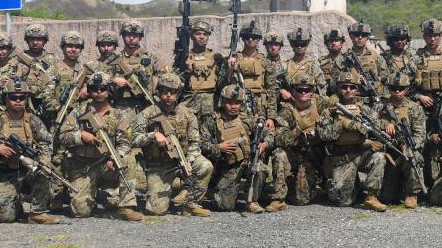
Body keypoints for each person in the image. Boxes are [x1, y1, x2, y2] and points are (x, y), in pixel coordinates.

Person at [57, 72, 143, 221]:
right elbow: (63, 136)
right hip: (84, 166)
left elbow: (125, 143)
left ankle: (126, 207)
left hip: (106, 164)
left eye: (102, 88)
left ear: (109, 90)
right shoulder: (79, 111)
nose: (98, 92)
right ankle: (96, 195)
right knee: (80, 212)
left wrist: (116, 157)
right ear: (89, 91)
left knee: (127, 160)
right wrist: (81, 136)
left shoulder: (119, 115)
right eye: (94, 88)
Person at [130, 72, 213, 217]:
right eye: (164, 90)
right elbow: (133, 139)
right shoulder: (147, 113)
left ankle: (191, 204)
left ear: (178, 93)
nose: (168, 95)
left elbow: (195, 143)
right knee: (156, 210)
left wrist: (190, 160)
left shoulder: (187, 114)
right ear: (158, 91)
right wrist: (153, 136)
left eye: (172, 91)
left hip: (183, 161)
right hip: (158, 166)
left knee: (205, 166)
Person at [0, 78, 58, 224]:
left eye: (22, 98)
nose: (18, 101)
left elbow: (46, 143)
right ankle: (14, 203)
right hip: (4, 173)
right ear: (6, 99)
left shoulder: (33, 120)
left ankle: (38, 213)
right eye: (14, 97)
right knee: (3, 218)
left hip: (28, 170)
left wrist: (43, 159)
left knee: (45, 169)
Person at [315, 71, 388, 211]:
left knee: (379, 157)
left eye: (352, 87)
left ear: (357, 89)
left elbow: (376, 129)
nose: (348, 90)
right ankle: (353, 187)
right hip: (342, 159)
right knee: (343, 202)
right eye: (344, 87)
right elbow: (323, 135)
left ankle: (371, 197)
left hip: (361, 155)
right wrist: (342, 123)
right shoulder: (330, 111)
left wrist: (368, 138)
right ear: (339, 89)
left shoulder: (365, 110)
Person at [200, 84, 273, 212]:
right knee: (223, 206)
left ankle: (252, 200)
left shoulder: (248, 119)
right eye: (229, 102)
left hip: (247, 162)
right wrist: (218, 147)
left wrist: (265, 143)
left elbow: (270, 134)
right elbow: (201, 143)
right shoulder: (213, 120)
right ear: (222, 102)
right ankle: (216, 190)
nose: (233, 106)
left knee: (259, 168)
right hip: (226, 167)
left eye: (237, 103)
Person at [273, 73, 327, 206]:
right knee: (279, 154)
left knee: (303, 198)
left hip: (316, 154)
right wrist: (297, 131)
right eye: (300, 90)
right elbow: (280, 139)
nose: (304, 93)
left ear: (312, 91)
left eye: (307, 90)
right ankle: (278, 198)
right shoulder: (287, 110)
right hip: (295, 153)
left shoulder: (320, 104)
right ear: (293, 91)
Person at [377, 72, 426, 208]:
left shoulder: (415, 108)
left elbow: (420, 135)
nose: (397, 91)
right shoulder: (380, 106)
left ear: (407, 89)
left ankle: (412, 193)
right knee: (387, 198)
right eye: (393, 88)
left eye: (401, 88)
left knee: (414, 157)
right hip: (387, 151)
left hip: (405, 150)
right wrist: (385, 124)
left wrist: (409, 145)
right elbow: (371, 124)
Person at [225, 21, 277, 125]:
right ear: (242, 38)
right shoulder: (233, 59)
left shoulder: (265, 62)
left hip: (260, 110)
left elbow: (271, 90)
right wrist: (229, 69)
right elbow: (223, 86)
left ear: (258, 39)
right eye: (247, 37)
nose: (250, 39)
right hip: (238, 108)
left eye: (254, 37)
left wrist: (271, 118)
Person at [108, 21, 163, 115]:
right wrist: (113, 80)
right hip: (121, 108)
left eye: (135, 35)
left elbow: (166, 77)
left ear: (140, 37)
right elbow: (100, 79)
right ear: (122, 36)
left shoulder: (151, 58)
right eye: (128, 35)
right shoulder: (114, 59)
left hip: (146, 106)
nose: (131, 38)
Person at [176, 19, 223, 126]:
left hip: (212, 105)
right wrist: (187, 72)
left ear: (208, 36)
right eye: (198, 34)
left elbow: (223, 83)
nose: (201, 37)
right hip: (190, 104)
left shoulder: (217, 58)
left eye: (205, 34)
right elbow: (175, 84)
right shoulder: (183, 57)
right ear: (192, 36)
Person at [333, 22, 387, 105]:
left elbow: (386, 80)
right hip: (350, 102)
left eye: (364, 35)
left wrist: (375, 81)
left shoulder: (376, 57)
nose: (360, 37)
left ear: (368, 37)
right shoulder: (342, 59)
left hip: (373, 101)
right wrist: (352, 80)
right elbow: (333, 85)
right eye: (356, 35)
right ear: (351, 36)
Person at [276, 27, 326, 105]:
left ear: (307, 44)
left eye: (302, 44)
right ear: (292, 44)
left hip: (309, 104)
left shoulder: (313, 65)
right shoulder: (284, 65)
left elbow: (322, 87)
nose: (299, 47)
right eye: (296, 44)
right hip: (289, 104)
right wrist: (281, 91)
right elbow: (274, 85)